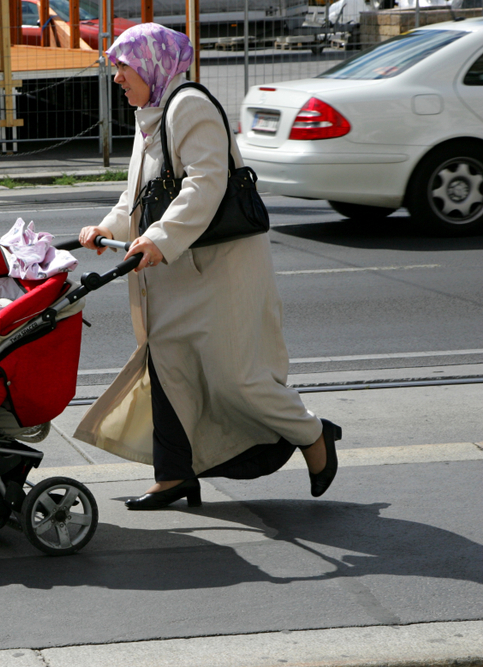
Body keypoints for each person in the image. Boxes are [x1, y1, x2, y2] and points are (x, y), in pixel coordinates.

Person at [74, 23, 341, 510]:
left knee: (239, 377)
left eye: (123, 67)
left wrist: (157, 238)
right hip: (175, 273)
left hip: (218, 273)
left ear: (153, 64)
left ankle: (314, 433)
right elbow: (138, 196)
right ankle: (174, 477)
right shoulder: (150, 113)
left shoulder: (188, 106)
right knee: (169, 368)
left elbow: (206, 182)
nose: (116, 78)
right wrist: (106, 227)